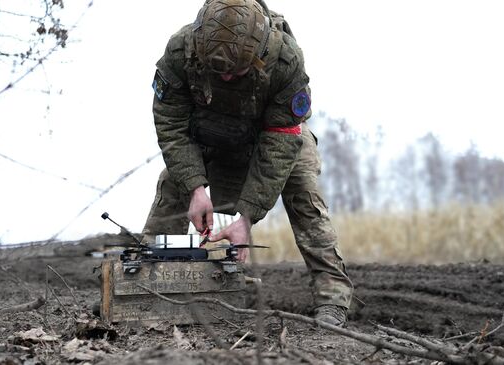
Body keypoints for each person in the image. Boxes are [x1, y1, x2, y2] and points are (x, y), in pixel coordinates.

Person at [142, 0, 353, 326]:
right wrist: (196, 187)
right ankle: (145, 286)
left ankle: (333, 298)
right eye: (218, 71)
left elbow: (282, 137)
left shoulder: (285, 61)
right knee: (174, 183)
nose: (225, 77)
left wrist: (248, 216)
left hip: (272, 138)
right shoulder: (180, 51)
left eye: (235, 70)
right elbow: (171, 122)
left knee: (304, 191)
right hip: (211, 135)